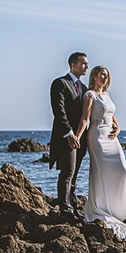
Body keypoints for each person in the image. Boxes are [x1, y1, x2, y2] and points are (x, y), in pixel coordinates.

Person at [73, 66, 126, 239]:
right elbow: (85, 118)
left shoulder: (107, 95)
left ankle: (120, 208)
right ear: (94, 76)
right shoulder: (90, 95)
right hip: (96, 137)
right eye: (102, 75)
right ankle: (101, 208)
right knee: (101, 173)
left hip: (111, 138)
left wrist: (118, 127)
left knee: (121, 171)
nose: (105, 78)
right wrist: (76, 136)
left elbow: (111, 114)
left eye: (107, 75)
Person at [50, 52, 90, 222]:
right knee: (67, 173)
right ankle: (65, 212)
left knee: (74, 175)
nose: (86, 66)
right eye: (83, 63)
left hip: (81, 139)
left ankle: (73, 209)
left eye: (87, 63)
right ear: (73, 65)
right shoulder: (60, 83)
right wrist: (69, 134)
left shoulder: (85, 89)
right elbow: (59, 112)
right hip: (65, 137)